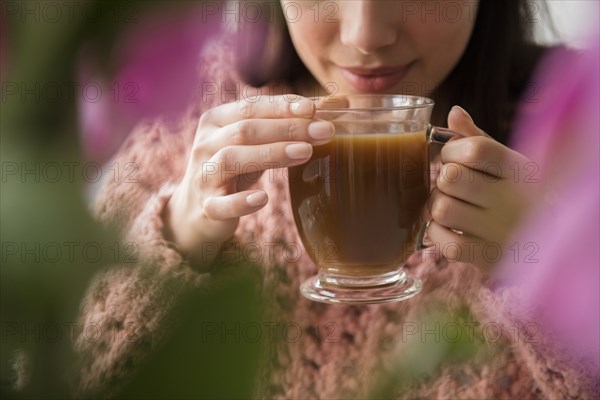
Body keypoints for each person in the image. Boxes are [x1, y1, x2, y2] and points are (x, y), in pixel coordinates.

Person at [72, 1, 597, 398]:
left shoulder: (580, 123)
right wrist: (176, 233)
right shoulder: (188, 102)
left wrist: (551, 264)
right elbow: (52, 372)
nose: (365, 35)